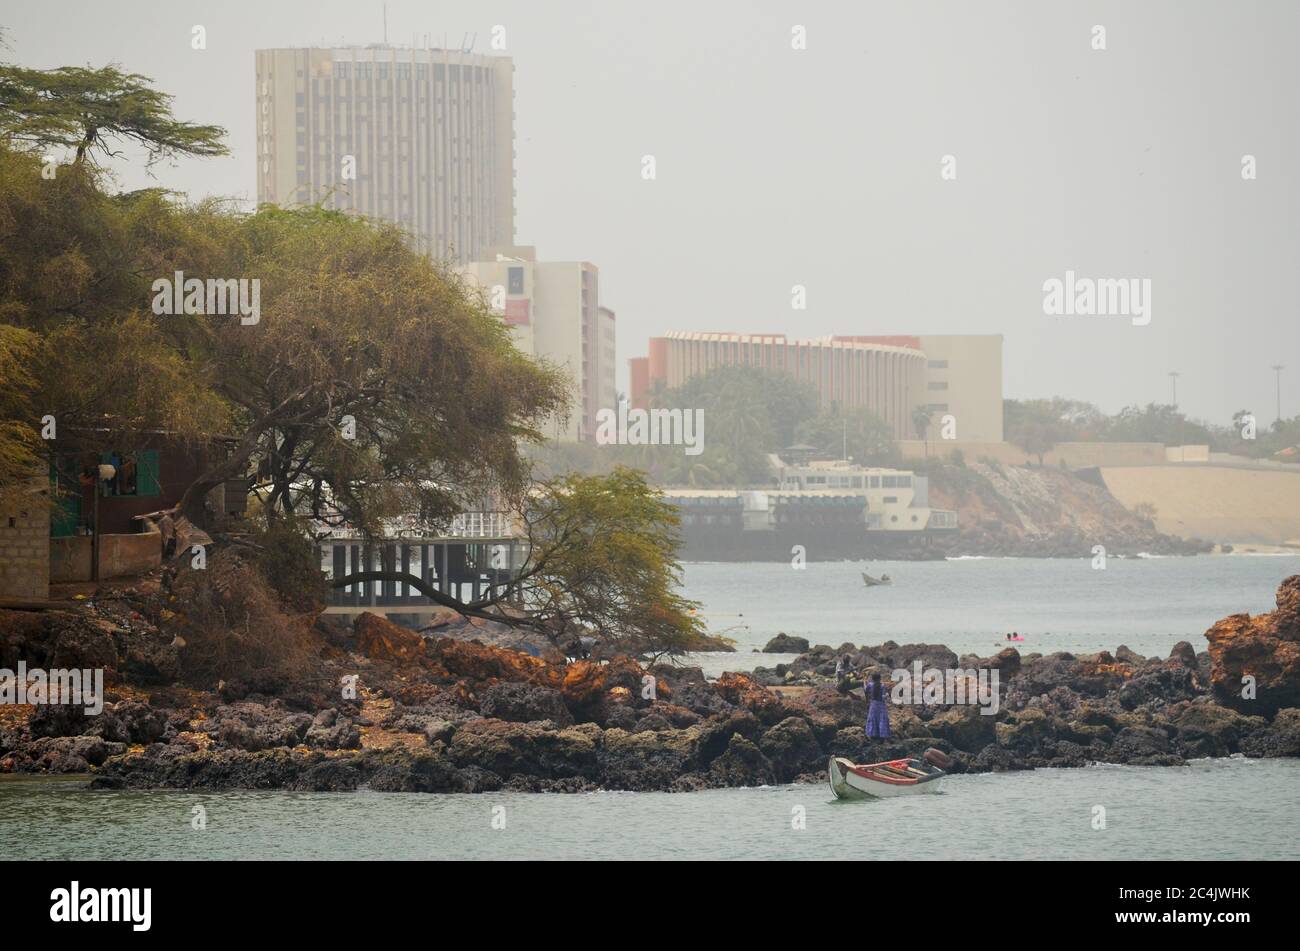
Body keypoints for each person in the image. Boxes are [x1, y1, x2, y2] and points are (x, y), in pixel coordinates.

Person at [865, 671, 890, 740]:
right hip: (881, 705)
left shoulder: (870, 685)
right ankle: (882, 735)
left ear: (872, 679)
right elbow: (883, 697)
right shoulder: (882, 686)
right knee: (882, 719)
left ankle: (872, 734)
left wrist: (867, 700)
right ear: (879, 678)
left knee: (873, 719)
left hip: (873, 704)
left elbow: (866, 691)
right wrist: (887, 695)